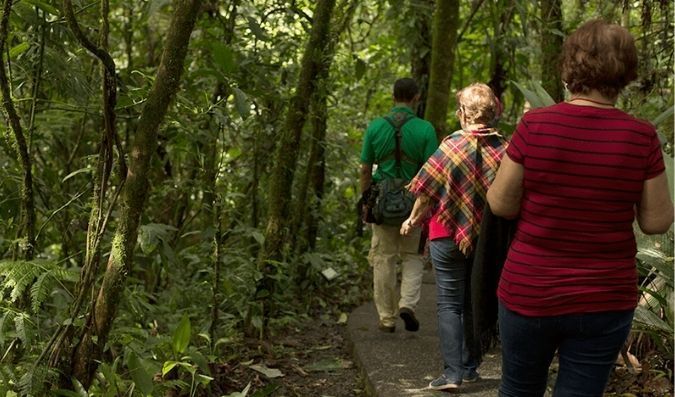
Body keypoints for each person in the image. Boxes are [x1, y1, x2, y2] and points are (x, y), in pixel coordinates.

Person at [486, 19, 674, 397]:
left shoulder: (535, 125)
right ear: (626, 72)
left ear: (571, 66)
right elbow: (656, 221)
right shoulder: (641, 137)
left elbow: (500, 203)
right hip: (603, 297)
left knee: (518, 390)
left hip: (529, 290)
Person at [401, 83, 508, 391]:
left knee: (449, 303)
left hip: (445, 235)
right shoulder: (506, 148)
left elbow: (426, 189)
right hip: (487, 239)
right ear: (492, 114)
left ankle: (452, 375)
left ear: (462, 113)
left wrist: (412, 219)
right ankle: (471, 366)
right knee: (476, 298)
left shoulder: (449, 147)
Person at [359, 78, 438, 333]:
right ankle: (408, 305)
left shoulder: (376, 127)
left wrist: (365, 201)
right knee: (413, 256)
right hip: (413, 201)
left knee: (384, 258)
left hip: (382, 203)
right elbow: (431, 173)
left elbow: (364, 170)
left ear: (393, 97)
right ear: (416, 98)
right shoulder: (425, 129)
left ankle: (386, 317)